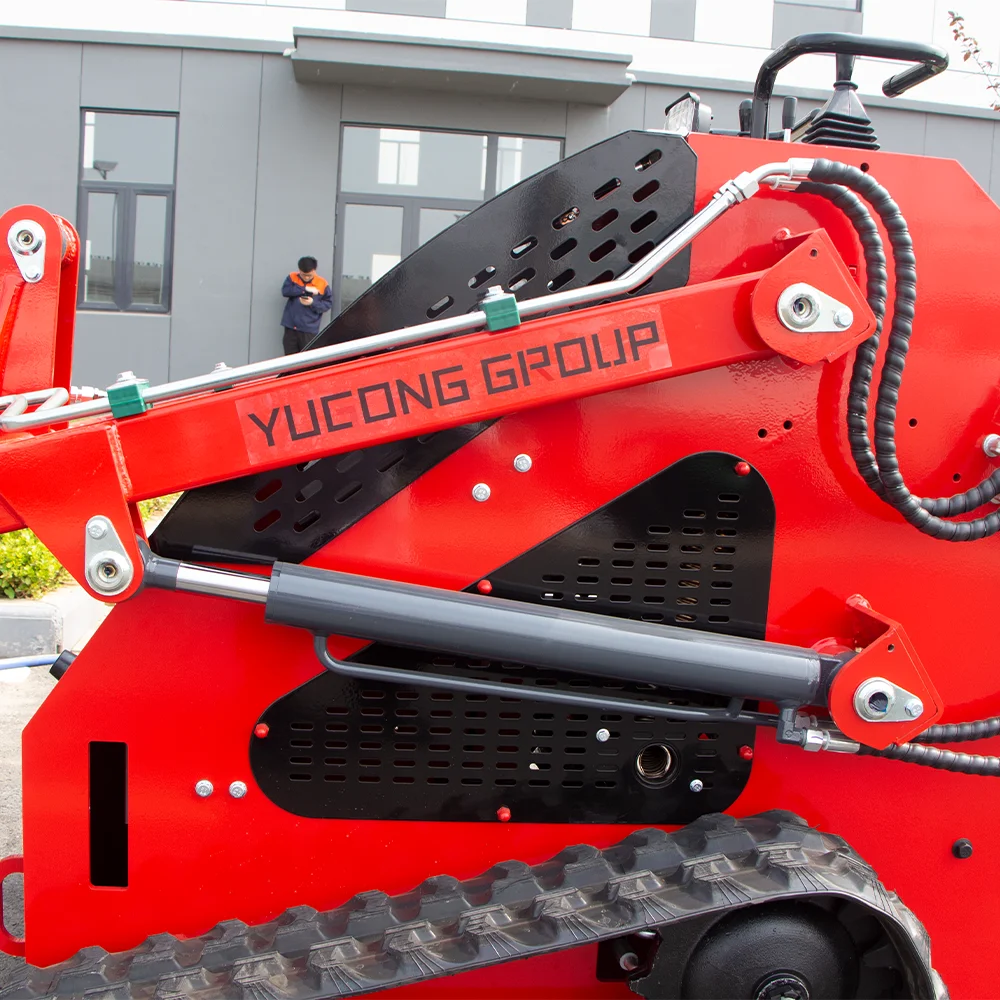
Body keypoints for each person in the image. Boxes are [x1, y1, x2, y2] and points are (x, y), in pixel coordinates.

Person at [281, 256, 333, 355]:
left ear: (314, 270)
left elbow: (328, 304)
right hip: (291, 327)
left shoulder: (322, 283)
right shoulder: (292, 277)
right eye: (303, 275)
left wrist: (312, 303)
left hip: (309, 329)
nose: (306, 278)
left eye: (309, 275)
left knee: (308, 358)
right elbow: (285, 291)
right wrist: (304, 289)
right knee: (289, 358)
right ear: (299, 270)